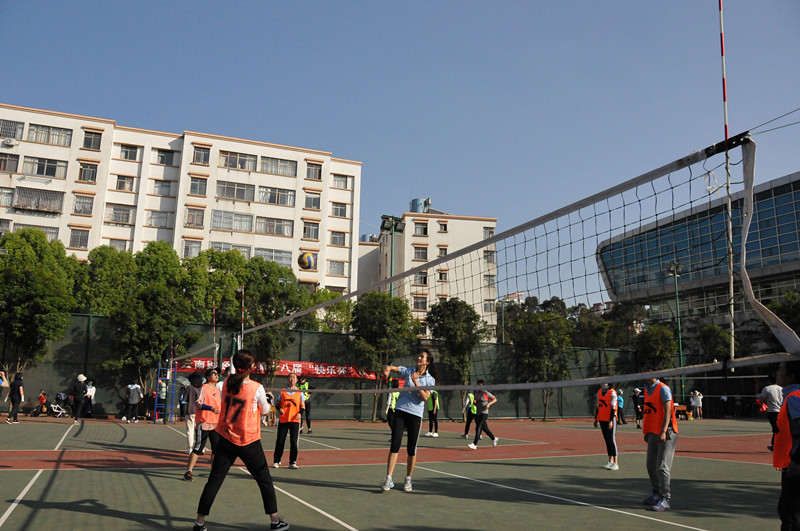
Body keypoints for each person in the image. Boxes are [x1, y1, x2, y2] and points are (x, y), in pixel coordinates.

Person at [193, 350, 288, 531]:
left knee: (214, 481)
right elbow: (265, 411)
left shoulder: (225, 384)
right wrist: (267, 401)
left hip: (226, 439)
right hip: (248, 441)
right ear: (251, 367)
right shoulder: (256, 387)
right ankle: (275, 521)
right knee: (265, 481)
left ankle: (199, 522)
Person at [381, 349, 438, 492]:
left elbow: (425, 397)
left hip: (415, 414)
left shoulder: (430, 379)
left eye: (422, 356)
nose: (419, 358)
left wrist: (416, 382)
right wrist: (387, 369)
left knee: (411, 449)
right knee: (395, 445)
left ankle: (408, 479)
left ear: (427, 362)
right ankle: (388, 478)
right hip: (400, 410)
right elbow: (393, 368)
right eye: (419, 355)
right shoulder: (409, 370)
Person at [642, 363, 679, 512]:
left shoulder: (663, 388)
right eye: (644, 371)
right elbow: (649, 412)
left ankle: (665, 498)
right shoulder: (647, 390)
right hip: (652, 432)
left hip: (667, 432)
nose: (646, 373)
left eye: (648, 370)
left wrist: (663, 431)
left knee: (662, 467)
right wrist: (647, 431)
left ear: (655, 372)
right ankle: (656, 493)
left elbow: (668, 410)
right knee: (650, 465)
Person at [774, 359, 800, 529]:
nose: (777, 373)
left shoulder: (794, 398)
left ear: (791, 377)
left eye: (780, 369)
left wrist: (797, 460)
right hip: (791, 461)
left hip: (795, 465)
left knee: (791, 514)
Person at [185, 367, 222, 482]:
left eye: (217, 374)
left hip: (215, 423)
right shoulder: (204, 388)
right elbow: (199, 404)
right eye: (214, 373)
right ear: (207, 377)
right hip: (204, 422)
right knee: (198, 448)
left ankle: (214, 472)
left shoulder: (217, 390)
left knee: (216, 449)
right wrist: (210, 408)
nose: (216, 375)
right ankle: (189, 471)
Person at [273, 373, 304, 469]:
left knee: (294, 442)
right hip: (284, 419)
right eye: (290, 377)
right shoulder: (283, 391)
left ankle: (292, 462)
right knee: (280, 441)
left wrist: (300, 413)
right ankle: (277, 460)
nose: (292, 379)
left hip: (295, 420)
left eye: (294, 377)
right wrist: (279, 409)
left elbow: (302, 406)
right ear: (288, 379)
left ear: (297, 380)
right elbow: (277, 404)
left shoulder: (300, 392)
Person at [467, 379, 499, 449]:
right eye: (478, 385)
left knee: (478, 427)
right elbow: (476, 404)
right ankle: (494, 439)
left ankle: (474, 444)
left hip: (484, 413)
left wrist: (489, 404)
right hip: (478, 413)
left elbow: (495, 399)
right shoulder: (477, 394)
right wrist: (474, 403)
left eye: (480, 385)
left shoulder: (486, 393)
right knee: (485, 428)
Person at [594, 381, 619, 470]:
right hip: (602, 419)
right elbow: (598, 406)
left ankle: (616, 463)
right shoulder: (599, 392)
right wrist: (596, 419)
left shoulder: (612, 393)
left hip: (610, 419)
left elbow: (613, 408)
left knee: (612, 440)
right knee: (607, 440)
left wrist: (611, 421)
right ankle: (610, 461)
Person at [760, 373, 783, 451]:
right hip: (781, 411)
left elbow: (761, 399)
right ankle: (774, 445)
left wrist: (762, 405)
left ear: (769, 380)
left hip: (772, 411)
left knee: (776, 429)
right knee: (776, 428)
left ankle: (778, 445)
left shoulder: (767, 389)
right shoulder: (781, 389)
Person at [185, 371, 204, 453]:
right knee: (199, 431)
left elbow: (185, 399)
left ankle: (190, 448)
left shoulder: (189, 387)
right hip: (199, 411)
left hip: (190, 411)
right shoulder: (202, 388)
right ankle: (201, 447)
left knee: (190, 430)